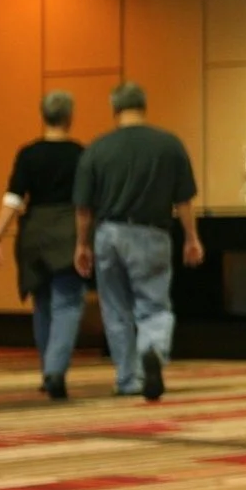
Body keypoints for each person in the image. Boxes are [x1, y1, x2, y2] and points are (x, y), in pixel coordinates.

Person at [73, 81, 202, 400]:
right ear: (144, 106)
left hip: (108, 234)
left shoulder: (97, 148)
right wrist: (191, 238)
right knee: (154, 305)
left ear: (114, 109)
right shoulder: (169, 145)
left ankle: (127, 379)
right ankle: (152, 353)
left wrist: (82, 244)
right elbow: (183, 200)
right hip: (151, 233)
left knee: (115, 308)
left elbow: (84, 208)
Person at [0, 92, 86, 400]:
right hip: (67, 230)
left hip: (34, 234)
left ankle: (47, 369)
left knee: (42, 304)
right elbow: (87, 203)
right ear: (69, 117)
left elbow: (14, 199)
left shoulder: (28, 154)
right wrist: (86, 241)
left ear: (43, 116)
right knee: (67, 303)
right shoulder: (81, 154)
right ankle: (55, 370)